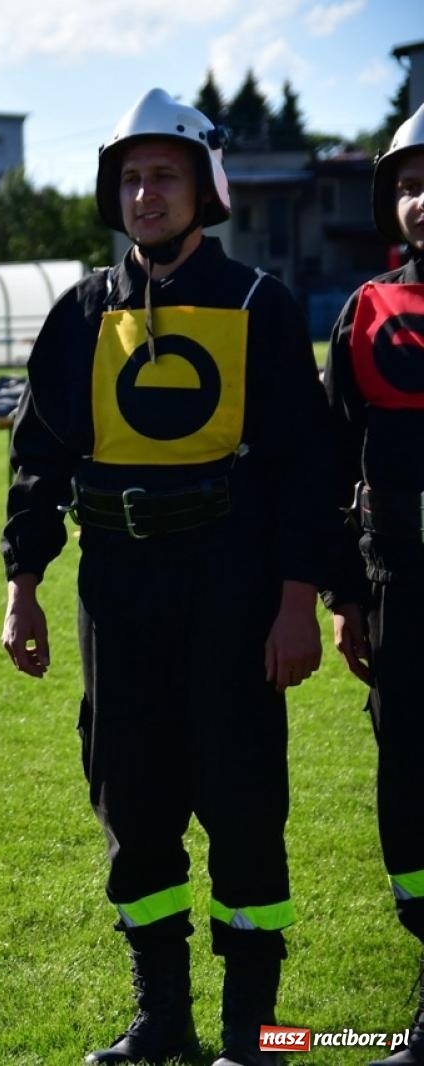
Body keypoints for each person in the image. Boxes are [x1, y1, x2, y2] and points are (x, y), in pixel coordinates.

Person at [0, 89, 339, 1066]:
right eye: (132, 177)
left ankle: (250, 1032)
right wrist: (21, 584)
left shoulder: (257, 306)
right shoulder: (81, 313)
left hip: (230, 589)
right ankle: (165, 1022)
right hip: (116, 589)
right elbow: (38, 457)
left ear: (203, 188)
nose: (146, 194)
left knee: (241, 804)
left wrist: (295, 602)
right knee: (131, 801)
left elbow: (302, 471)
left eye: (166, 176)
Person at [323, 101, 424, 1066]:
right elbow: (331, 458)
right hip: (401, 580)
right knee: (411, 778)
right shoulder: (367, 308)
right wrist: (345, 595)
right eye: (405, 181)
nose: (420, 197)